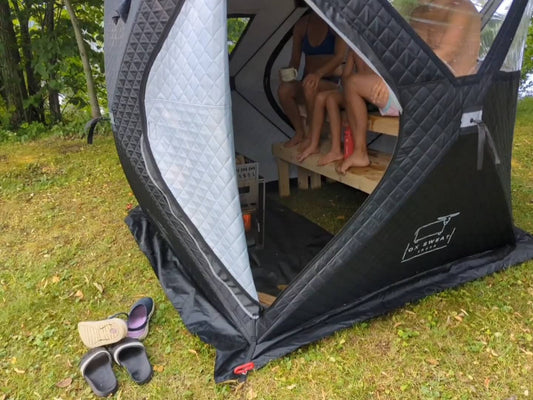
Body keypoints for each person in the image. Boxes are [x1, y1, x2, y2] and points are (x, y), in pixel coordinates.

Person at [337, 0, 481, 173]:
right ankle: (360, 153)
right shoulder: (420, 14)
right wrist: (389, 78)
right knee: (353, 83)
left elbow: (445, 54)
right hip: (414, 89)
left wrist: (393, 81)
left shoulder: (462, 8)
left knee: (367, 82)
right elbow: (408, 54)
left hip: (450, 95)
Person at [277, 2, 347, 148]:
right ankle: (299, 132)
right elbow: (295, 61)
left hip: (332, 82)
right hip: (308, 80)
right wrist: (287, 73)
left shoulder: (335, 22)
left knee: (310, 85)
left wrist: (318, 74)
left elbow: (340, 56)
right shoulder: (302, 24)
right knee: (284, 89)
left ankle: (311, 135)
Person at [296, 50, 357, 166]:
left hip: (364, 93)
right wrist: (342, 76)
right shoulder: (354, 51)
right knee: (320, 98)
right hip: (350, 90)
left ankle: (335, 150)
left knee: (330, 99)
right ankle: (314, 144)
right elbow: (345, 76)